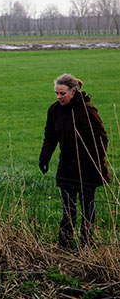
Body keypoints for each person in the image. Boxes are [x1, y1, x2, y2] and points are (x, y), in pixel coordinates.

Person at [39, 74, 110, 249]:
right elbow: (50, 135)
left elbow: (101, 137)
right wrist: (44, 157)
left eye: (62, 93)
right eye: (56, 93)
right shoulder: (54, 110)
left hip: (87, 168)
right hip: (66, 167)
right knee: (68, 210)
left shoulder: (87, 111)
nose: (58, 97)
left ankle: (87, 245)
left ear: (73, 91)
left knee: (88, 209)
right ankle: (64, 245)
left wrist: (97, 161)